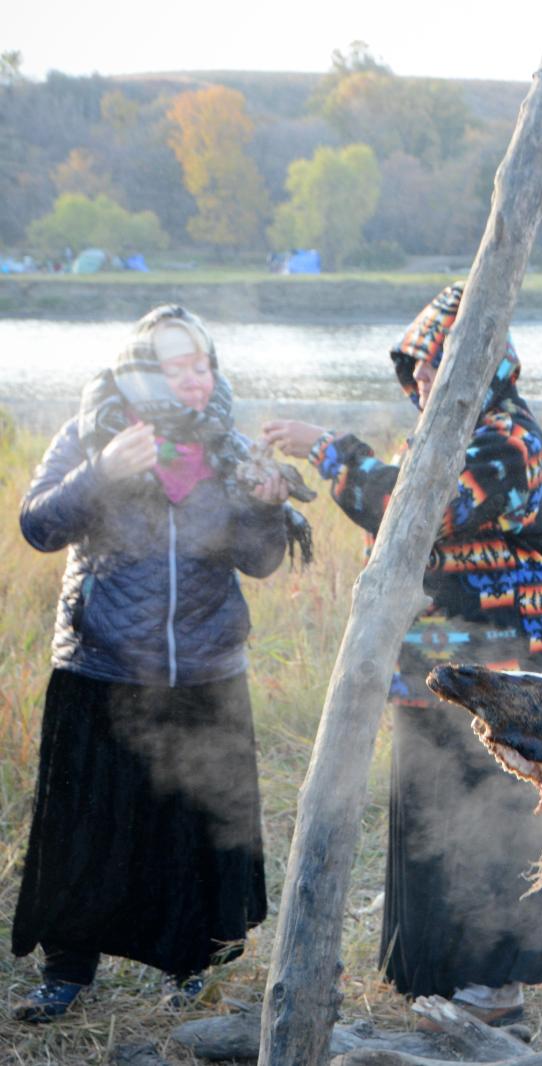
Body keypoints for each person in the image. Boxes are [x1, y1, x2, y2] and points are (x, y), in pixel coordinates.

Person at [263, 283, 542, 1027]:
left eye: (441, 362)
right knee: (432, 813)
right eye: (418, 365)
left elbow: (417, 508)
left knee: (492, 817)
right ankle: (439, 975)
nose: (425, 378)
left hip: (497, 666)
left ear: (489, 365)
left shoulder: (508, 438)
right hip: (426, 663)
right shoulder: (442, 432)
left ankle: (496, 986)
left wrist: (330, 449)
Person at [12, 305, 302, 1022]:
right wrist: (102, 473)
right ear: (142, 372)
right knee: (89, 829)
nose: (196, 380)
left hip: (205, 669)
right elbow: (38, 525)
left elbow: (260, 561)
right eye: (177, 367)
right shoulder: (92, 433)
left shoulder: (230, 446)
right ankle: (68, 972)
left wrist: (267, 508)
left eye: (202, 364)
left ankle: (192, 969)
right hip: (103, 666)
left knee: (194, 831)